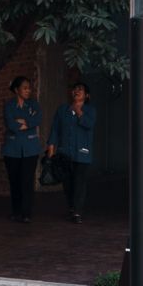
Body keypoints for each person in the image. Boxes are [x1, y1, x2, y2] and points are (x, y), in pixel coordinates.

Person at [46, 81, 96, 223]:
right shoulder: (62, 110)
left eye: (80, 89)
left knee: (79, 183)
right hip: (65, 153)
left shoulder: (90, 110)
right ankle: (72, 208)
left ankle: (77, 212)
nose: (76, 91)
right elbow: (55, 129)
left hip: (82, 153)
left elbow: (89, 124)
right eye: (74, 89)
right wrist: (51, 150)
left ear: (87, 95)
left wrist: (78, 110)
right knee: (68, 184)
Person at [1, 75, 43, 223]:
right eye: (24, 88)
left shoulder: (33, 104)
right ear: (16, 90)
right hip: (12, 149)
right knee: (15, 181)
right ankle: (16, 211)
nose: (28, 91)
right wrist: (25, 123)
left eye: (29, 88)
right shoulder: (9, 105)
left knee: (27, 181)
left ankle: (26, 213)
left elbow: (37, 119)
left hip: (30, 149)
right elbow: (11, 124)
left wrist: (24, 122)